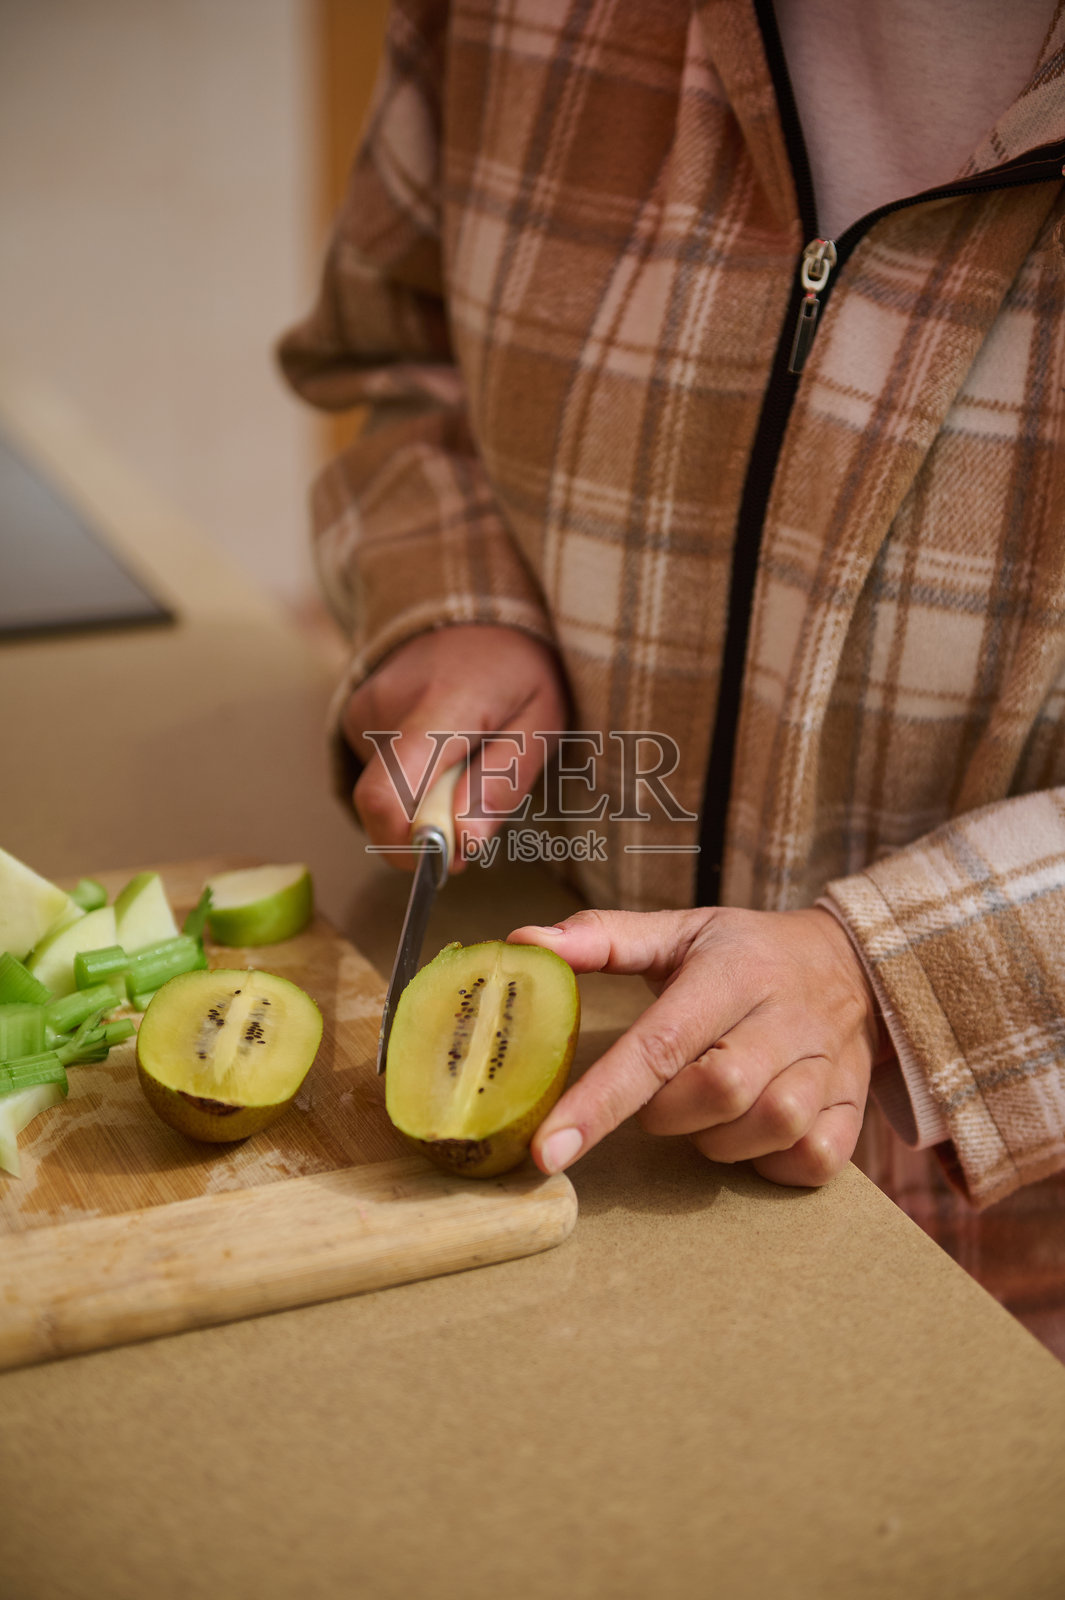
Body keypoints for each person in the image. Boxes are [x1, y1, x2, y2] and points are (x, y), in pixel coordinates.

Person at [279, 0, 1065, 1208]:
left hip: (999, 1269)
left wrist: (891, 969)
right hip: (593, 1191)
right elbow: (397, 354)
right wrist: (457, 594)